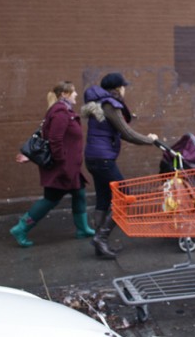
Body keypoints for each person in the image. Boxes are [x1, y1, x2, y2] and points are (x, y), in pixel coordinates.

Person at [10, 81, 96, 247]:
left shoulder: (65, 112)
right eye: (73, 92)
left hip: (71, 167)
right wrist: (62, 163)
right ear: (64, 94)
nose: (77, 94)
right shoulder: (60, 114)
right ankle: (21, 228)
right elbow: (55, 141)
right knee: (50, 199)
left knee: (79, 194)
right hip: (63, 167)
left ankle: (83, 229)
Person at [81, 72, 158, 259]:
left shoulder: (100, 104)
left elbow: (117, 129)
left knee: (104, 199)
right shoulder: (110, 104)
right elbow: (127, 133)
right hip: (104, 160)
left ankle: (100, 243)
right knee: (126, 196)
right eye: (123, 86)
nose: (124, 90)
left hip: (93, 158)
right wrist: (150, 140)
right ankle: (101, 238)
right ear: (117, 88)